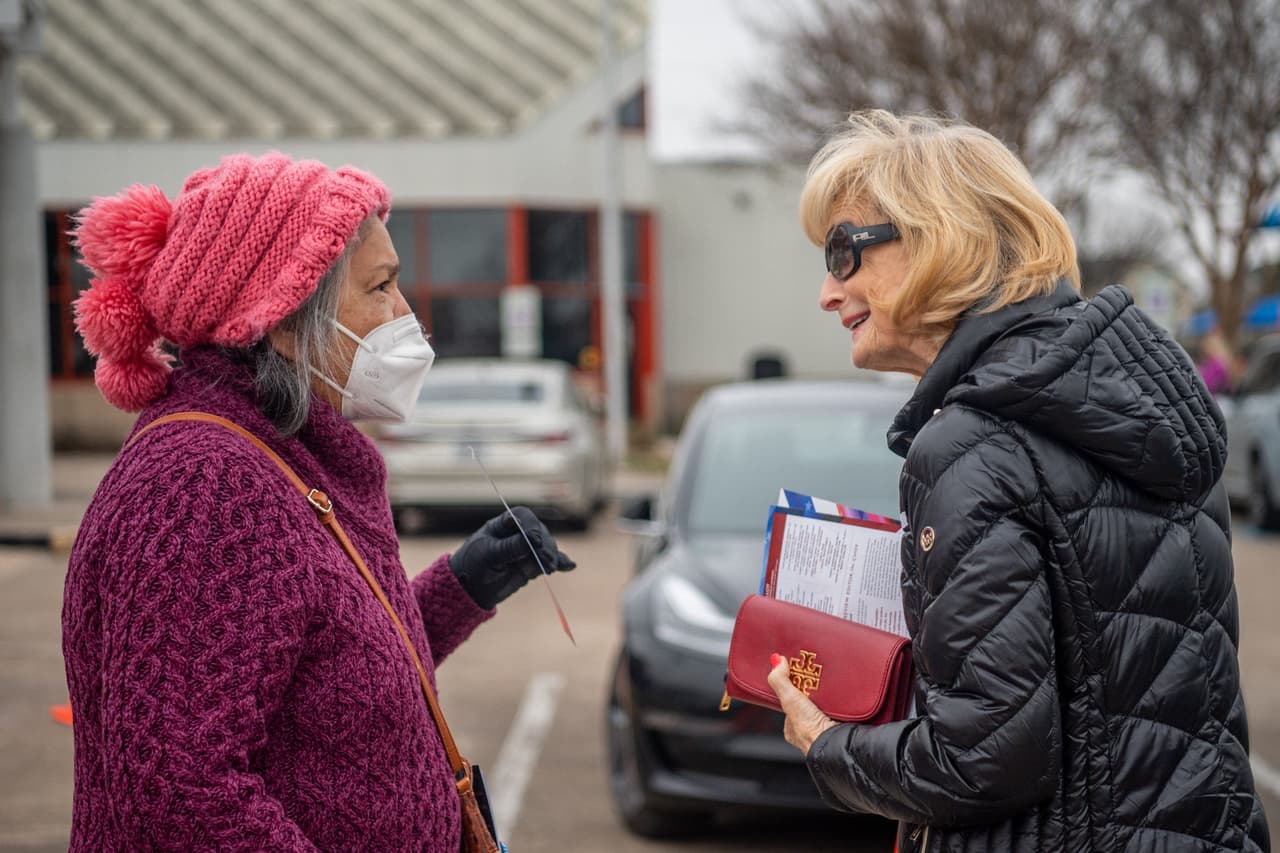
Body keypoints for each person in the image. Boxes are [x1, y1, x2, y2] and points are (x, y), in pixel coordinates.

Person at [765, 111, 1269, 852]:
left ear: (940, 238)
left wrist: (826, 742)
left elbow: (984, 760)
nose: (827, 292)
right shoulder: (1148, 403)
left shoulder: (972, 445)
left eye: (844, 253)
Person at [62, 152, 575, 851]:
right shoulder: (205, 484)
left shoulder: (281, 450)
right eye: (381, 286)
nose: (406, 315)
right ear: (281, 316)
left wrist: (461, 588)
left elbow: (320, 675)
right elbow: (180, 789)